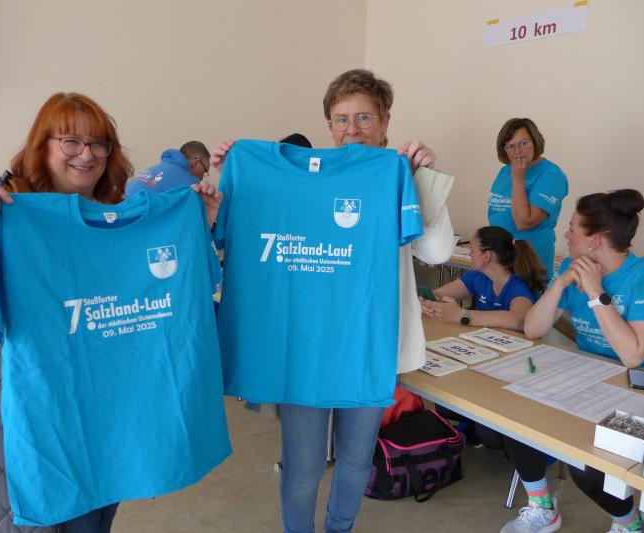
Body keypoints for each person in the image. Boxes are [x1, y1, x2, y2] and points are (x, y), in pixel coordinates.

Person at [0, 92, 223, 533]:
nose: (86, 154)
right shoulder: (8, 208)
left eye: (98, 144)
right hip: (21, 423)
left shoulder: (119, 215)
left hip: (99, 421)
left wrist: (195, 225)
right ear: (43, 145)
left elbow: (169, 299)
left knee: (91, 521)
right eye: (71, 141)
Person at [211, 68, 454, 533]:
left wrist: (421, 179)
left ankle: (339, 528)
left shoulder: (394, 174)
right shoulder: (291, 178)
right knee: (302, 465)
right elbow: (235, 226)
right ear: (329, 125)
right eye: (341, 119)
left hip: (367, 345)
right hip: (306, 347)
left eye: (364, 117)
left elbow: (438, 252)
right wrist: (232, 175)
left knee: (356, 459)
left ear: (385, 121)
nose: (352, 129)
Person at [499, 189, 644, 533]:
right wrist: (560, 284)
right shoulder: (570, 267)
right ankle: (542, 508)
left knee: (586, 467)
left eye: (572, 228)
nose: (566, 235)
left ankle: (628, 523)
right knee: (515, 415)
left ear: (594, 241)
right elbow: (533, 328)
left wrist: (595, 292)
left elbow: (633, 355)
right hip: (588, 383)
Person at [420, 226, 546, 332]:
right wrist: (425, 302)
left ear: (486, 256)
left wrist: (462, 315)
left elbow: (519, 320)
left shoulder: (518, 283)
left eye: (472, 250)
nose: (469, 254)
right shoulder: (477, 275)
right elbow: (437, 295)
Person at [488, 118, 569, 279]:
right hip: (500, 263)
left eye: (523, 143)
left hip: (530, 267)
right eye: (510, 146)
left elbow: (524, 222)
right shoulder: (505, 172)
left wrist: (518, 180)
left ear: (535, 142)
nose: (517, 151)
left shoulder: (551, 175)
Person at [125, 140, 210, 196]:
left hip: (119, 208)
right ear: (195, 163)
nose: (202, 178)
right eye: (204, 171)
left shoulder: (159, 168)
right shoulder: (191, 183)